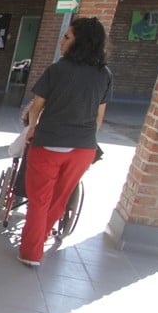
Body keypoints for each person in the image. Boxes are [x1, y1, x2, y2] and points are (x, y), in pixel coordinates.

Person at [18, 17, 112, 266]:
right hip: (83, 149)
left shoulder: (57, 70)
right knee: (60, 199)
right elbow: (99, 119)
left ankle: (31, 253)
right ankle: (42, 239)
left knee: (39, 200)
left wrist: (33, 128)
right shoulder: (104, 75)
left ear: (80, 42)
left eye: (67, 36)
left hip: (49, 144)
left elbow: (36, 106)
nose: (62, 40)